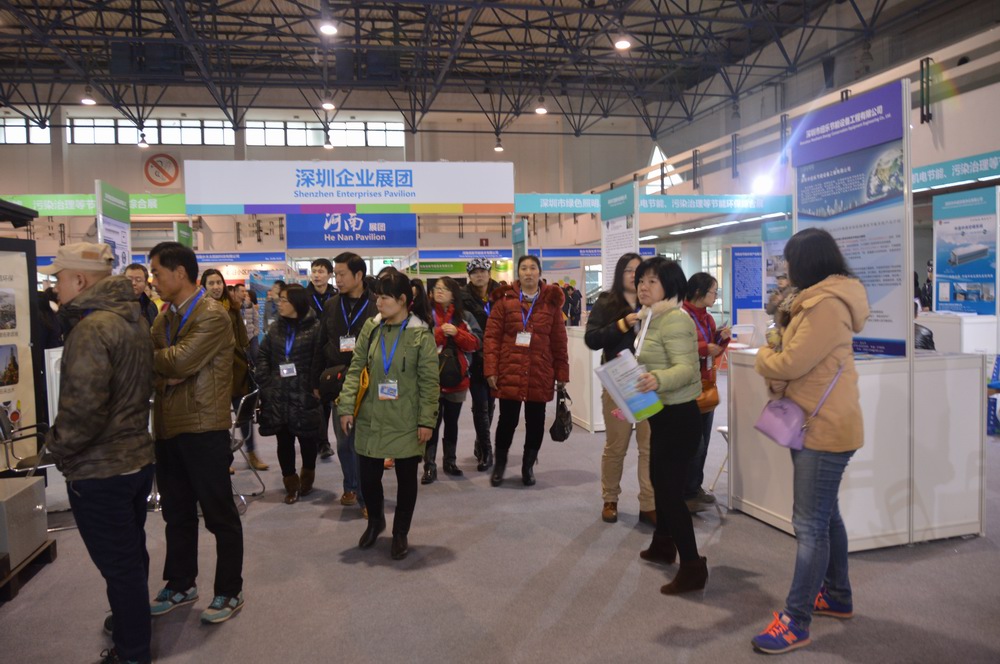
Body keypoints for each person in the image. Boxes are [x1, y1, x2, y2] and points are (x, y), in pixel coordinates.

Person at [750, 228, 869, 654]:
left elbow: (790, 361)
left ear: (808, 262)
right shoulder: (814, 301)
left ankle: (795, 620)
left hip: (824, 427)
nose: (786, 268)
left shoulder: (825, 306)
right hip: (818, 423)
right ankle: (837, 595)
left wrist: (764, 357)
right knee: (826, 515)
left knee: (809, 526)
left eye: (790, 260)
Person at [42, 243, 155, 664]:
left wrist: (54, 449)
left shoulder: (91, 329)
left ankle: (132, 650)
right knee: (131, 555)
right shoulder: (132, 317)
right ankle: (132, 622)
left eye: (58, 278)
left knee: (120, 566)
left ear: (80, 279)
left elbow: (83, 409)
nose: (55, 287)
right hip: (134, 459)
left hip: (100, 468)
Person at [149, 242, 245, 625]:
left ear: (179, 273)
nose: (153, 280)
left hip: (204, 427)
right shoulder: (163, 320)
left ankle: (229, 590)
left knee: (219, 514)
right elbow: (160, 365)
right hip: (168, 427)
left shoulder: (212, 314)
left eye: (156, 273)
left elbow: (179, 361)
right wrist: (165, 370)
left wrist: (167, 366)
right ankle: (181, 583)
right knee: (176, 513)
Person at [338, 271, 439, 560]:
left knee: (406, 480)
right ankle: (376, 521)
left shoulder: (420, 334)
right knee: (369, 479)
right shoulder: (372, 328)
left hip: (406, 418)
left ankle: (400, 532)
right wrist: (346, 407)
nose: (378, 303)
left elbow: (429, 383)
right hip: (371, 416)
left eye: (384, 297)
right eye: (377, 297)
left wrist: (426, 421)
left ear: (403, 300)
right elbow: (356, 368)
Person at [632, 256, 707, 595]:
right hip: (660, 413)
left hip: (679, 417)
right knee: (658, 481)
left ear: (670, 285)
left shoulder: (675, 319)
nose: (643, 287)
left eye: (652, 281)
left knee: (669, 493)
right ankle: (663, 544)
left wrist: (657, 379)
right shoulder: (650, 317)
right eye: (640, 280)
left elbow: (687, 370)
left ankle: (693, 566)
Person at [483, 254, 569, 487]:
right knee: (507, 421)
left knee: (536, 422)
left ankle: (528, 466)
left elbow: (559, 342)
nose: (528, 272)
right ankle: (500, 464)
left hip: (540, 370)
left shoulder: (551, 304)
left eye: (532, 268)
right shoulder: (504, 301)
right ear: (518, 273)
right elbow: (491, 338)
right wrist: (490, 369)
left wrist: (562, 373)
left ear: (539, 272)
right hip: (509, 368)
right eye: (524, 268)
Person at [584, 252, 654, 525]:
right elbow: (592, 339)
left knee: (648, 447)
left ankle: (648, 504)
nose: (634, 276)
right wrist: (622, 325)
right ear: (619, 273)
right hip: (619, 382)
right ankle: (610, 499)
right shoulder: (606, 301)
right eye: (629, 270)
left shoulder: (653, 303)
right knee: (616, 445)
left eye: (639, 271)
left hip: (647, 382)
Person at [320, 252, 378, 513]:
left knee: (366, 441)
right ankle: (350, 485)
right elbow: (321, 341)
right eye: (336, 274)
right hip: (339, 381)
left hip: (369, 380)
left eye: (342, 274)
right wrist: (316, 380)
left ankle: (367, 496)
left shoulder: (377, 304)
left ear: (358, 275)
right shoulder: (332, 305)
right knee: (344, 441)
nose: (338, 279)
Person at [256, 284, 324, 504]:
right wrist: (267, 382)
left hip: (304, 395)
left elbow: (319, 360)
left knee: (308, 440)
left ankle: (308, 476)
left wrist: (314, 386)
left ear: (297, 303)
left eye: (284, 300)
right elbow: (263, 355)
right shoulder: (276, 328)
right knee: (283, 441)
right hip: (279, 395)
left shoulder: (315, 328)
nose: (280, 304)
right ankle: (291, 483)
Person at [200, 270, 267, 471]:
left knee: (244, 414)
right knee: (219, 419)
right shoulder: (199, 310)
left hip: (237, 369)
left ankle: (252, 453)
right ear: (203, 286)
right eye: (211, 283)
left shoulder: (233, 308)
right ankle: (224, 457)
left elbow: (242, 338)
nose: (216, 287)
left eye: (218, 282)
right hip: (212, 371)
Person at [422, 277, 480, 484]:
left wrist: (457, 333)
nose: (439, 291)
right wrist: (439, 333)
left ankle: (450, 461)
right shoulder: (424, 316)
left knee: (452, 423)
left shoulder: (465, 317)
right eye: (437, 288)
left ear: (454, 294)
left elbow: (476, 343)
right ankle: (429, 466)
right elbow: (417, 343)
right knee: (431, 424)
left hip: (457, 380)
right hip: (430, 381)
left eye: (444, 289)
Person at [681, 272, 731, 513]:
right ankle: (685, 493)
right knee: (694, 444)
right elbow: (681, 347)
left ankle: (694, 489)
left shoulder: (708, 319)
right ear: (699, 292)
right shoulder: (682, 316)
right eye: (713, 291)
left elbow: (714, 351)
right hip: (687, 387)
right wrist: (704, 348)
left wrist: (722, 340)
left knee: (704, 442)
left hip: (707, 386)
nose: (716, 296)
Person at [460, 258, 499, 471]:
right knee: (480, 405)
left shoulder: (500, 295)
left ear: (489, 273)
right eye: (474, 272)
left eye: (483, 271)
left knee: (490, 405)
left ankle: (479, 441)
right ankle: (486, 450)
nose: (479, 275)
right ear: (469, 276)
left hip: (496, 357)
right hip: (475, 357)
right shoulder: (463, 298)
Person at [308, 258, 337, 459]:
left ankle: (323, 441)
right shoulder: (304, 296)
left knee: (326, 399)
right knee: (313, 400)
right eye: (314, 271)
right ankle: (318, 441)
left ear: (329, 274)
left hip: (329, 353)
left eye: (321, 271)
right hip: (309, 353)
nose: (317, 275)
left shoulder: (335, 296)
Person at [125, 262, 158, 327]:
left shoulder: (150, 306)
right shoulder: (116, 304)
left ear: (146, 283)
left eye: (138, 280)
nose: (133, 283)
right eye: (129, 279)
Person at [240, 285, 260, 364]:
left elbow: (256, 319)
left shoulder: (252, 305)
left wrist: (256, 331)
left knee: (255, 353)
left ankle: (257, 368)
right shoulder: (238, 305)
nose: (246, 296)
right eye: (245, 294)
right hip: (243, 335)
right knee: (246, 355)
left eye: (248, 295)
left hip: (252, 334)